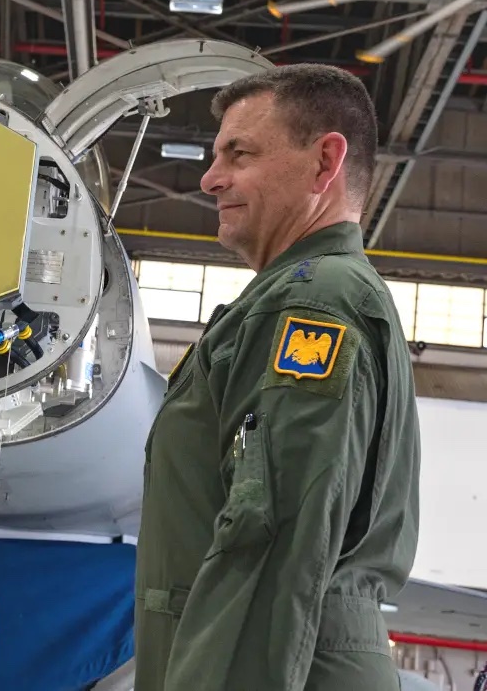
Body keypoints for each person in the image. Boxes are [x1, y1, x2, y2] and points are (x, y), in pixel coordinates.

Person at [133, 64, 421, 690]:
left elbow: (272, 543)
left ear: (325, 163)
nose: (210, 179)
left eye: (240, 154)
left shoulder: (310, 304)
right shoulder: (302, 297)